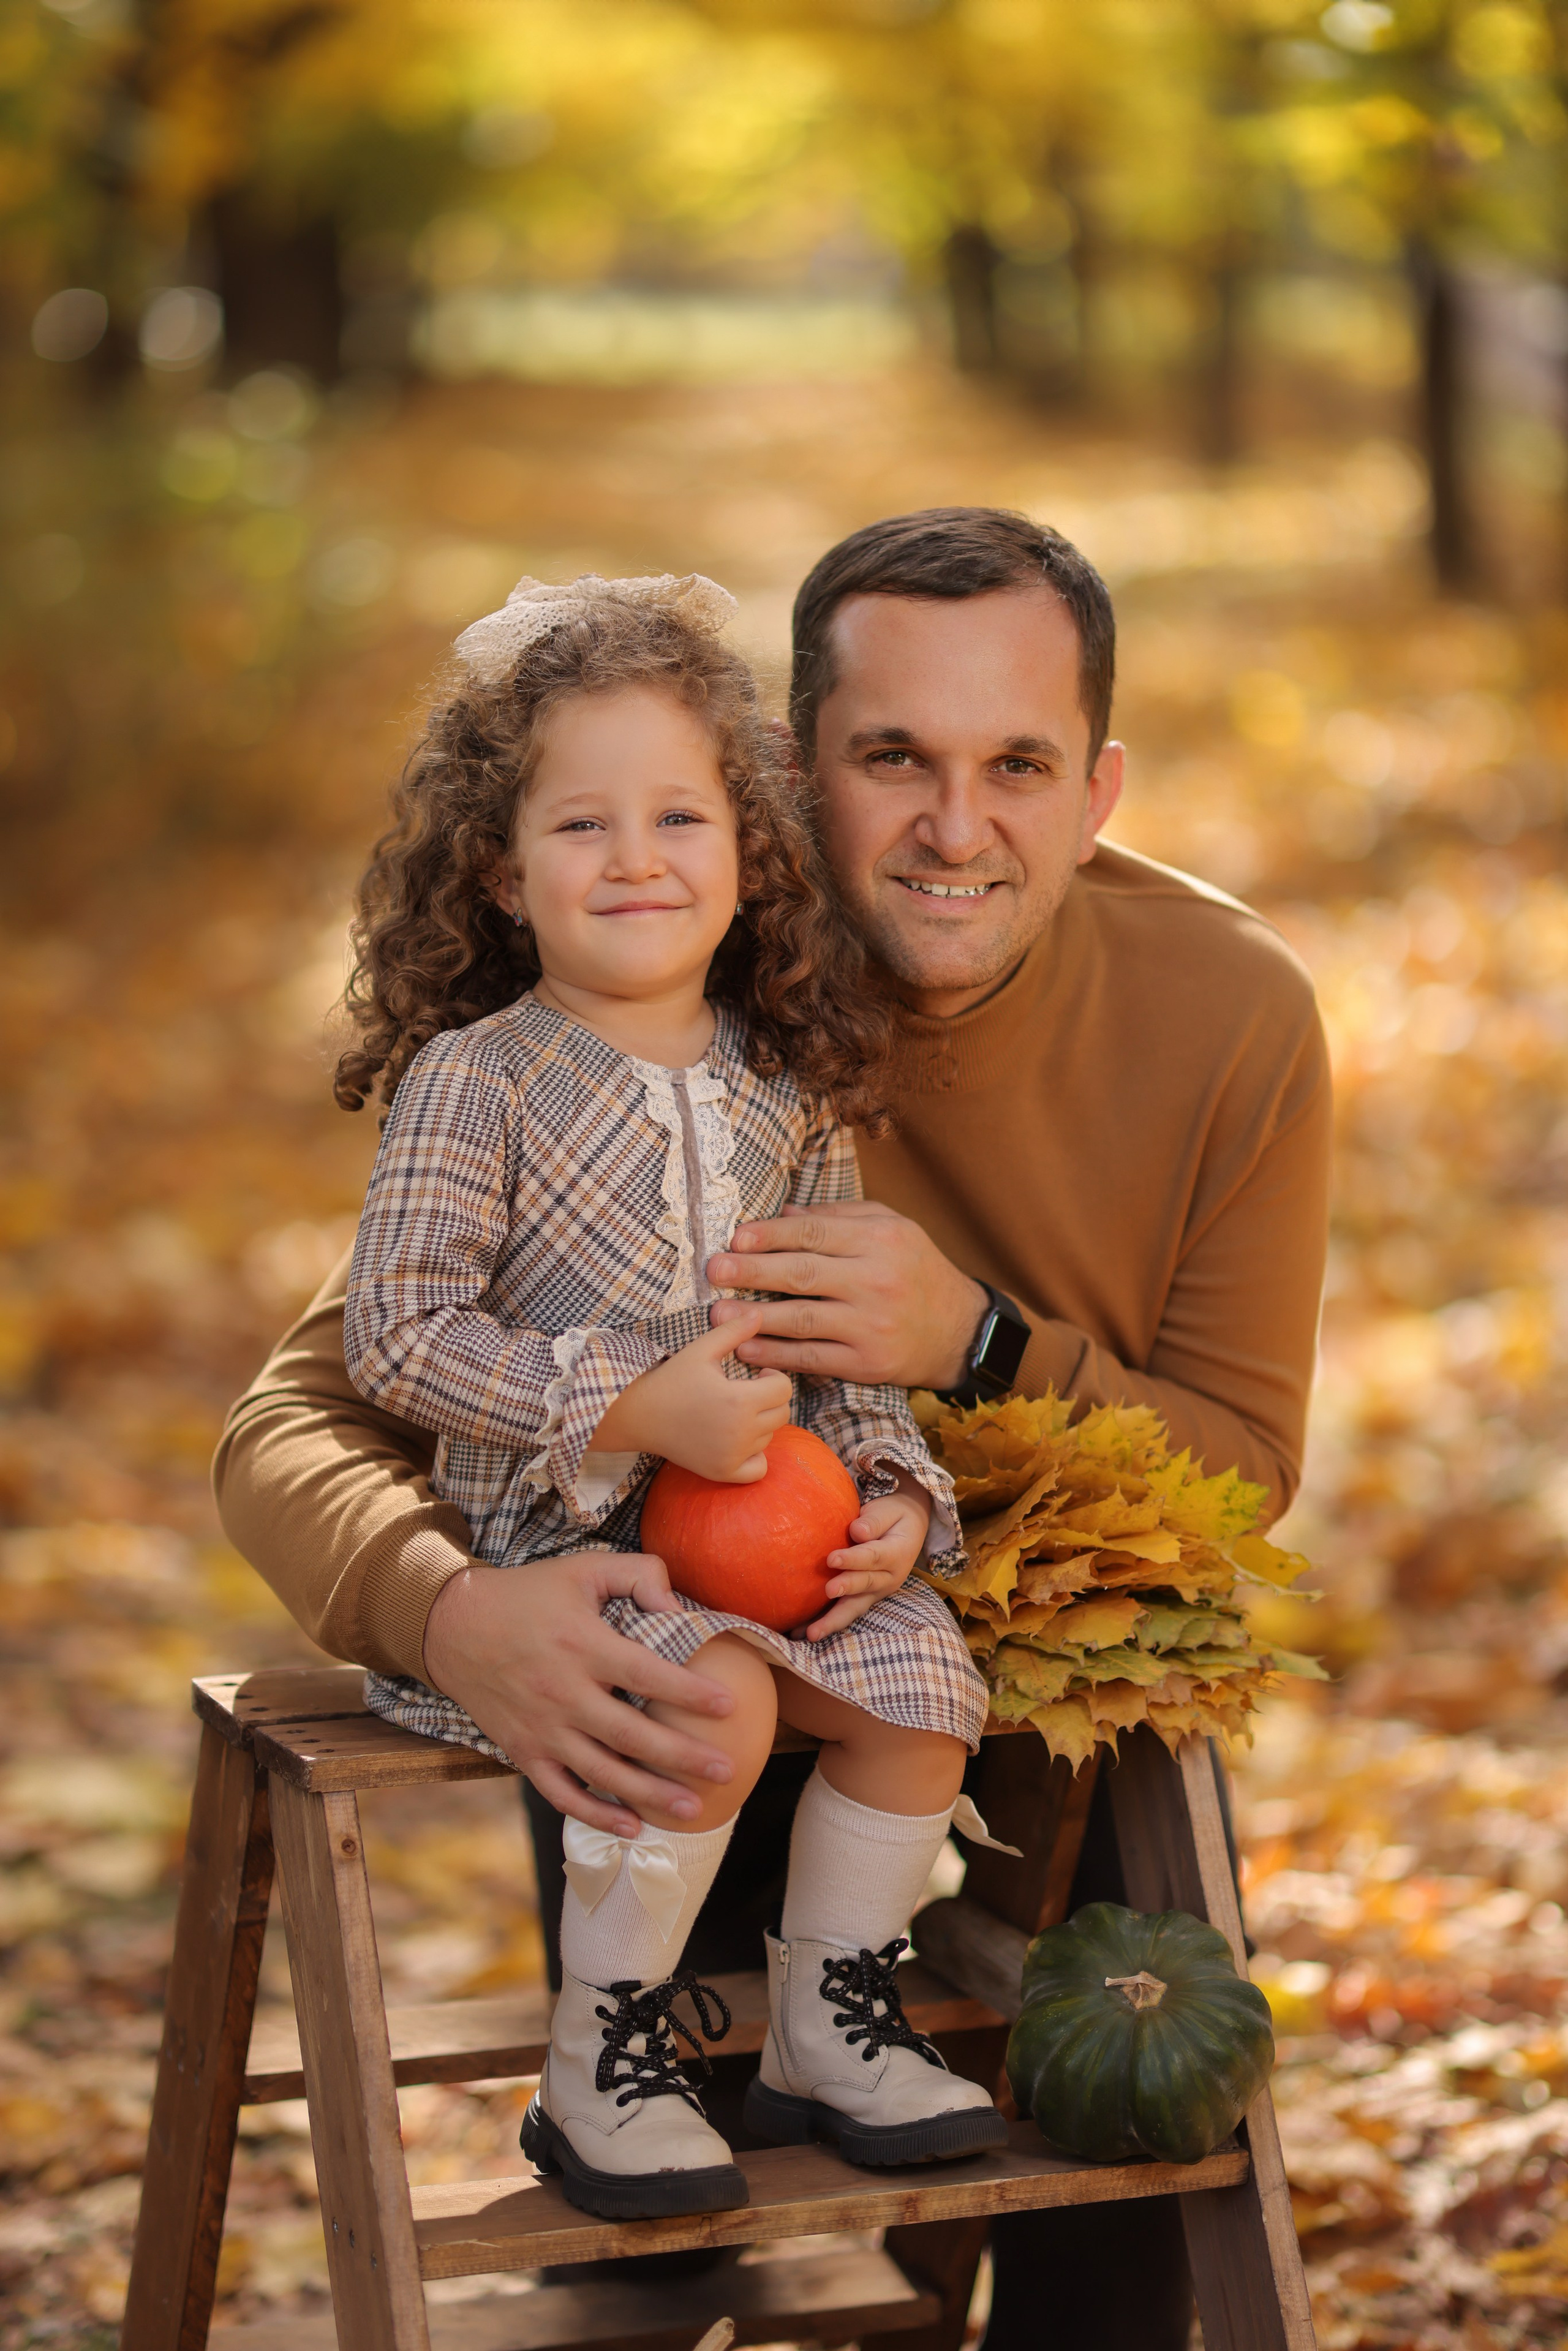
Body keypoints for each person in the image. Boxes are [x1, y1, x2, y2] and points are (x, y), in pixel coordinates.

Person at [216, 508, 1331, 2346]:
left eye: (1019, 768)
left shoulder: (1232, 1015)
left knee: (1143, 2030)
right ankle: (656, 2220)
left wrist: (974, 1346)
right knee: (666, 2162)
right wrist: (448, 1612)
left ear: (1100, 787)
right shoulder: (647, 1000)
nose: (956, 828)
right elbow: (297, 1417)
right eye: (893, 758)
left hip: (990, 1644)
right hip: (678, 1616)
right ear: (791, 780)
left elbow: (1244, 1468)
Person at [330, 567, 1006, 2224]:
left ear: (745, 852)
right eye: (581, 826)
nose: (635, 858)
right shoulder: (474, 1079)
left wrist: (895, 1492)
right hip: (568, 1558)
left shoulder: (782, 1095)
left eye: (679, 818)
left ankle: (828, 2017)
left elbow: (831, 1353)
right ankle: (602, 2053)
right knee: (719, 1702)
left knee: (925, 1685)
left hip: (776, 1537)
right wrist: (629, 1406)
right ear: (500, 871)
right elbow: (395, 1336)